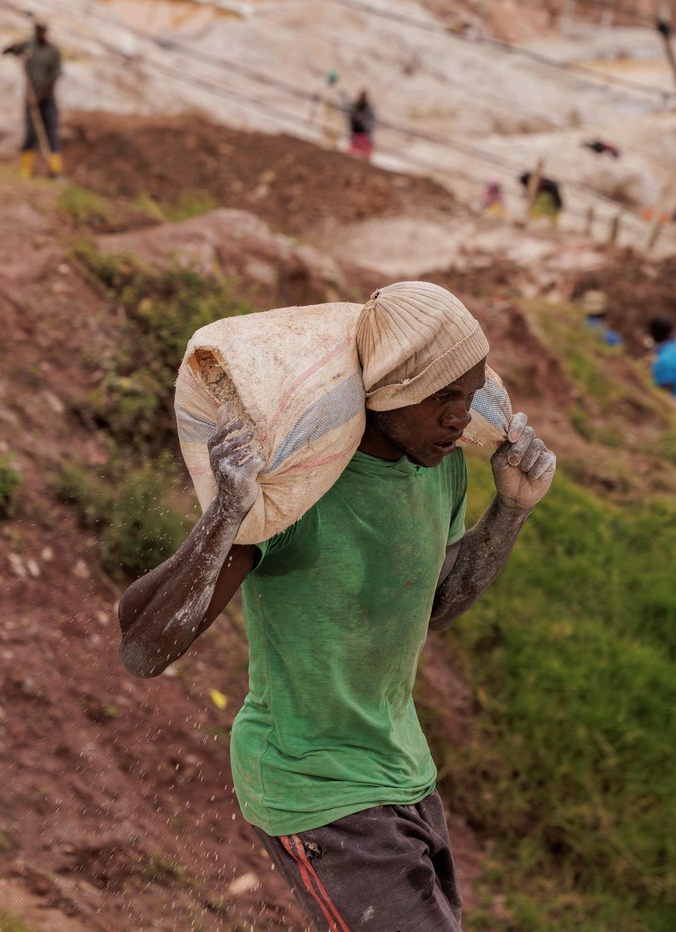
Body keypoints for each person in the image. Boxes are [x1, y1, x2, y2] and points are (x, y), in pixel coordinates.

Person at [116, 282, 556, 931]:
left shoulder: (441, 468)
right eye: (443, 397)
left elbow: (429, 604)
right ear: (391, 390)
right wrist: (226, 514)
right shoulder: (298, 486)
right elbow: (141, 647)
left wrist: (510, 511)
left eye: (468, 394)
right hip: (314, 785)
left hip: (403, 775)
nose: (461, 417)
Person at [2, 21, 62, 179]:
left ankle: (55, 169)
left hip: (47, 99)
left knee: (51, 132)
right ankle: (25, 171)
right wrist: (12, 51)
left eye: (42, 31)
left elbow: (53, 79)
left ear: (46, 32)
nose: (39, 34)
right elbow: (9, 49)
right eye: (37, 31)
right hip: (30, 98)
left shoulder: (53, 51)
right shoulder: (29, 46)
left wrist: (39, 97)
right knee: (31, 133)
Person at [310, 70, 347, 150]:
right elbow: (315, 97)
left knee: (332, 133)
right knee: (327, 133)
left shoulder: (337, 91)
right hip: (327, 115)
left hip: (332, 117)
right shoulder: (326, 89)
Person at [346, 89, 376, 161]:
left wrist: (362, 121)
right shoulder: (356, 106)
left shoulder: (368, 108)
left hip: (363, 134)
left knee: (365, 156)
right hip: (356, 134)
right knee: (350, 155)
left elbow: (371, 123)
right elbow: (350, 116)